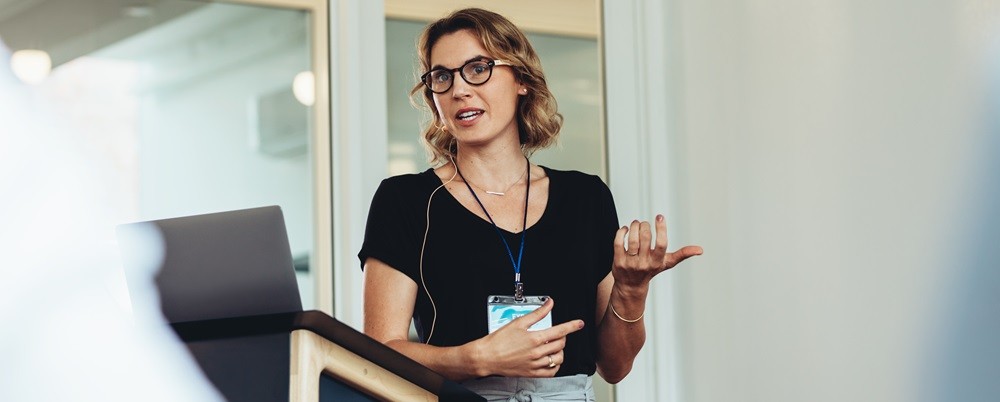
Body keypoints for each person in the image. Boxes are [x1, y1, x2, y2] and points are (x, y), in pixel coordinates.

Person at [359, 8, 702, 401]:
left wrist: (631, 289)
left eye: (478, 68)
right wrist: (474, 358)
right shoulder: (404, 200)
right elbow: (381, 353)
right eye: (442, 77)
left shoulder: (585, 198)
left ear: (521, 79)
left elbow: (615, 366)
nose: (459, 90)